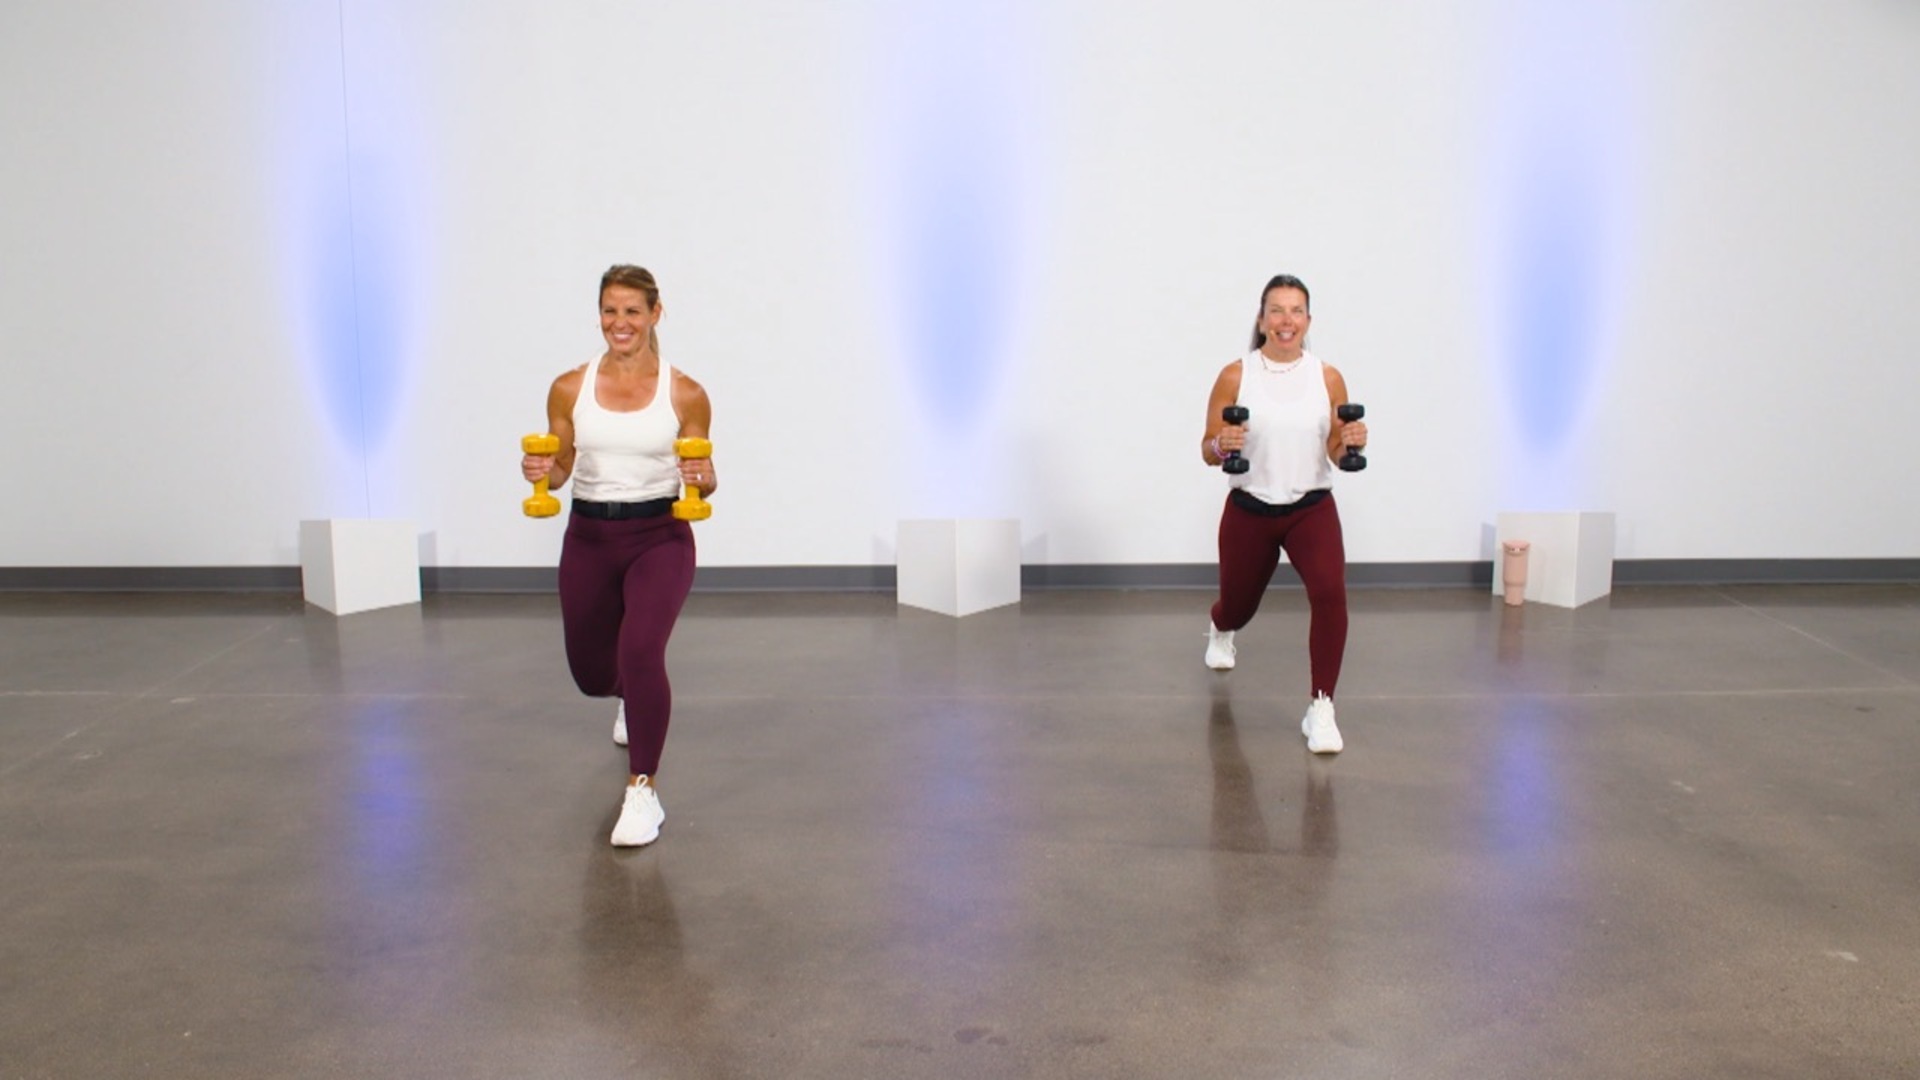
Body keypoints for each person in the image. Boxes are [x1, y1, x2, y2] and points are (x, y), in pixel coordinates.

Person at [521, 264, 716, 846]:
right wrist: (540, 469)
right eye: (610, 310)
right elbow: (557, 470)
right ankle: (627, 697)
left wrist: (704, 476)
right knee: (589, 672)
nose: (620, 322)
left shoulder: (685, 392)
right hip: (589, 536)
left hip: (660, 537)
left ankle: (643, 791)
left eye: (633, 310)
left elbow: (702, 482)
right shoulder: (568, 387)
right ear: (599, 314)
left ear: (656, 314)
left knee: (640, 648)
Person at [1198, 274, 1367, 754]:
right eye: (1277, 310)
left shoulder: (1326, 376)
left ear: (1308, 320)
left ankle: (1321, 708)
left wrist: (1350, 440)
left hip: (1310, 507)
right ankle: (1220, 626)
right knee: (1238, 606)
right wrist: (1219, 443)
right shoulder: (1237, 375)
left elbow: (1336, 450)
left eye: (1296, 311)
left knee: (1331, 593)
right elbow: (1209, 448)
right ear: (1261, 318)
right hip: (1250, 508)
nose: (1286, 321)